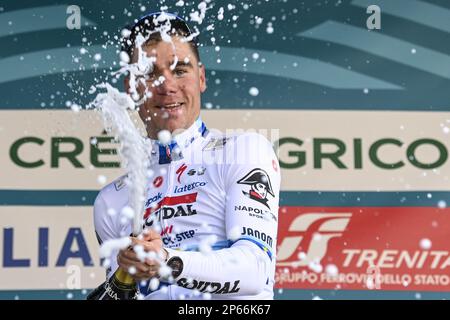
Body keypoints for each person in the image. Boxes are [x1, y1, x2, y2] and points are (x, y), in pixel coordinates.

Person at [91, 12, 280, 300]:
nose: (167, 86)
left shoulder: (242, 151)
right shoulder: (111, 200)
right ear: (131, 87)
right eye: (150, 73)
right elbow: (117, 296)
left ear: (201, 77)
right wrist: (125, 274)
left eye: (180, 70)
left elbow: (256, 271)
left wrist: (166, 260)